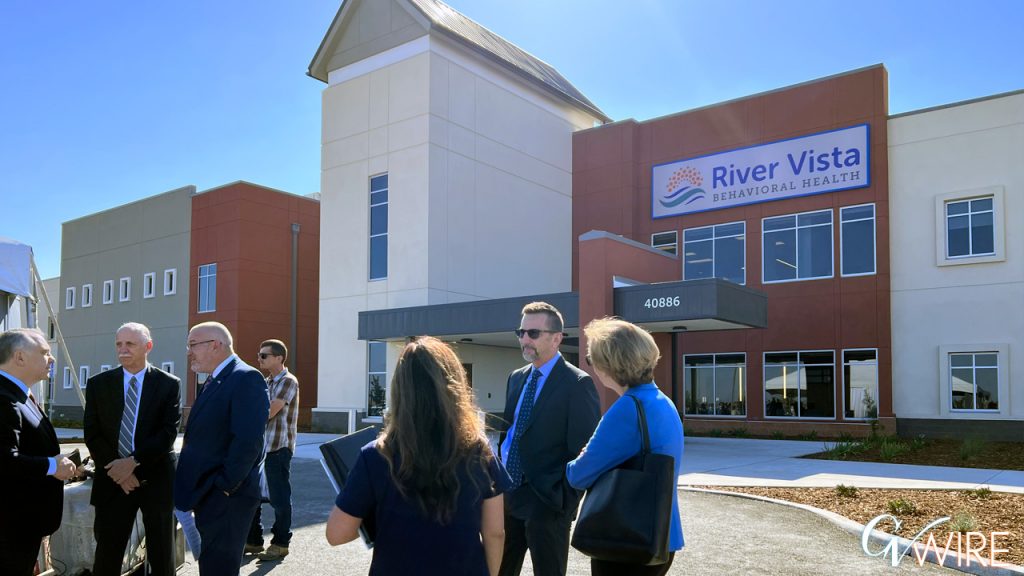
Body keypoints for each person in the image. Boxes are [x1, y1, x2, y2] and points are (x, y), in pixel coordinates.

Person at [326, 336, 509, 575]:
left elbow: (337, 534)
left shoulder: (376, 455)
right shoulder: (480, 452)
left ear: (399, 389)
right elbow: (495, 532)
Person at [566, 318, 685, 576]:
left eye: (591, 359)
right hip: (663, 534)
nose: (592, 366)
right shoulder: (663, 401)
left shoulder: (627, 409)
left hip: (626, 539)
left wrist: (579, 457)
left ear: (608, 365)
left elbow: (578, 475)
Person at [497, 302, 600, 576]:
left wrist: (564, 501)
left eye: (533, 333)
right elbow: (510, 433)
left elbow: (585, 451)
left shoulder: (577, 384)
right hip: (508, 494)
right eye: (520, 332)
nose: (524, 340)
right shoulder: (515, 378)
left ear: (557, 338)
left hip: (548, 503)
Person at [84, 322, 181, 576]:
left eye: (130, 344)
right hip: (113, 480)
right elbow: (92, 434)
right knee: (108, 551)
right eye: (118, 344)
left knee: (162, 553)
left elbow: (168, 433)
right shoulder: (98, 384)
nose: (123, 349)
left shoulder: (168, 384)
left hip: (156, 479)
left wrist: (133, 463)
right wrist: (119, 471)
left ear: (148, 346)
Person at [174, 322, 270, 576]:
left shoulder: (245, 377)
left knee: (219, 570)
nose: (188, 351)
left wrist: (225, 487)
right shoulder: (217, 379)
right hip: (211, 496)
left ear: (215, 345)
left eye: (193, 344)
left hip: (227, 499)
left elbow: (248, 441)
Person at [0, 328, 77, 576]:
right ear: (19, 357)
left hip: (21, 525)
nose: (51, 359)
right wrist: (53, 467)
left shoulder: (20, 394)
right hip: (9, 527)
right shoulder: (4, 398)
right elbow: (3, 461)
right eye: (44, 352)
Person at [245, 339, 299, 562]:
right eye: (259, 355)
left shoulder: (288, 381)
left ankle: (280, 543)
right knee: (253, 496)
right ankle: (254, 541)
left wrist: (244, 418)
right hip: (260, 448)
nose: (259, 359)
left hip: (278, 448)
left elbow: (270, 410)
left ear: (278, 357)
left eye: (264, 355)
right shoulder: (266, 381)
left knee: (279, 498)